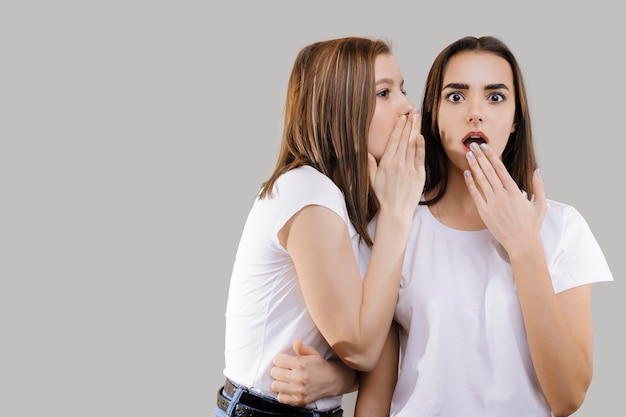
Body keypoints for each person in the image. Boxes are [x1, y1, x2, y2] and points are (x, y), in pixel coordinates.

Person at [272, 35, 614, 417]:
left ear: (516, 119)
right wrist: (341, 378)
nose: (475, 113)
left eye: (495, 97)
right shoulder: (396, 228)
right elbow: (375, 394)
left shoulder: (562, 228)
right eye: (456, 96)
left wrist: (524, 248)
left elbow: (568, 397)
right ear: (432, 114)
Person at [216, 36, 426, 417]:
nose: (408, 108)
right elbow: (362, 347)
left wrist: (340, 377)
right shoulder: (306, 192)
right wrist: (398, 215)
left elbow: (381, 341)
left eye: (402, 90)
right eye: (384, 93)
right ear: (340, 107)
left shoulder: (360, 208)